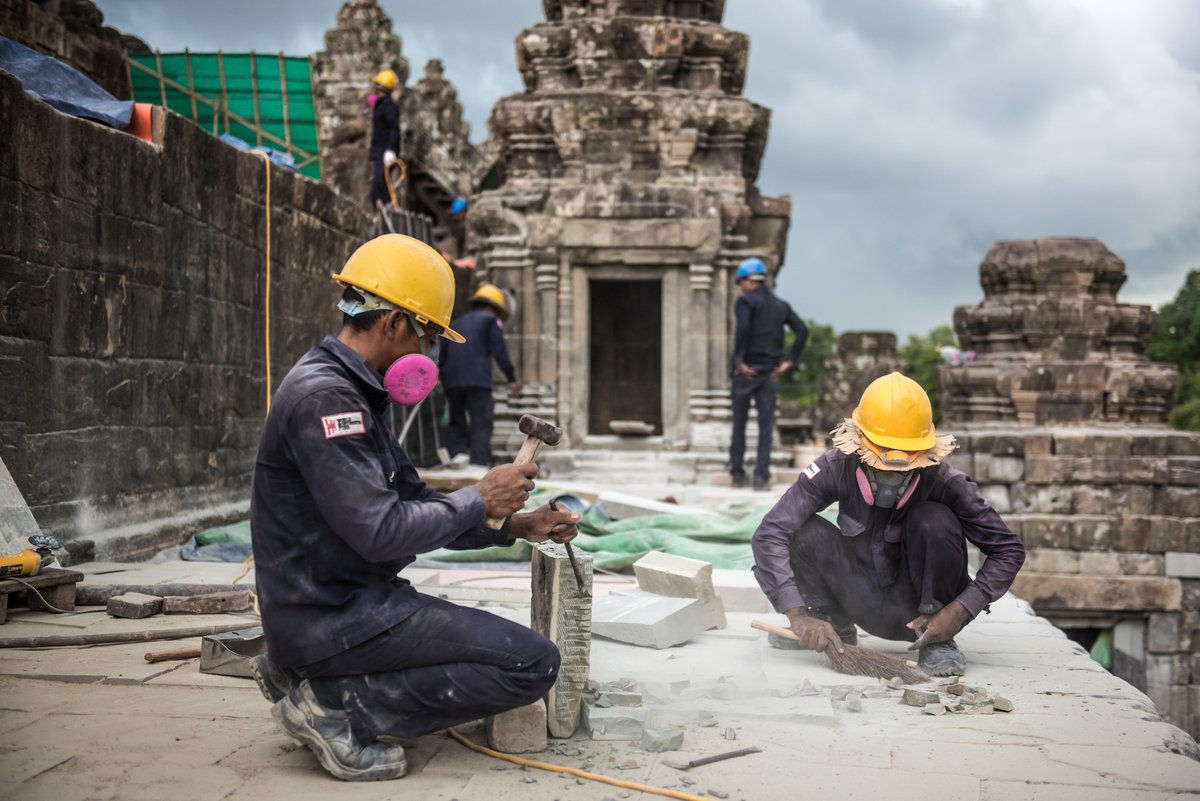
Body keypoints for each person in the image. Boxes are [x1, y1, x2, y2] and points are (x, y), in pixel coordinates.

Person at [249, 234, 578, 782]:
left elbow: (414, 504)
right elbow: (383, 532)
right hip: (335, 617)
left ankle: (307, 676)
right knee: (532, 663)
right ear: (394, 322)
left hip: (341, 604)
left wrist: (515, 523)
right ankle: (334, 705)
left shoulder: (352, 391)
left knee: (482, 643)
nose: (426, 354)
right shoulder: (327, 399)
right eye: (426, 335)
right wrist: (479, 496)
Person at [750, 372, 1026, 676]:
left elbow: (1008, 551)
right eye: (881, 467)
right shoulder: (834, 468)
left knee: (934, 519)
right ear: (860, 446)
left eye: (903, 468)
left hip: (921, 613)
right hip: (857, 597)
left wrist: (959, 611)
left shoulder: (947, 483)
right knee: (799, 530)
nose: (891, 479)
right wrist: (797, 615)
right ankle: (832, 622)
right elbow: (769, 534)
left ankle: (937, 642)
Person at [729, 257, 808, 490]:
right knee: (766, 427)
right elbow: (802, 330)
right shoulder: (780, 305)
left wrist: (738, 360)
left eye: (741, 281)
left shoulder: (745, 302)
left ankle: (737, 474)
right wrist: (789, 361)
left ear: (748, 281)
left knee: (739, 425)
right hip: (769, 373)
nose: (741, 286)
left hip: (747, 372)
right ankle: (761, 477)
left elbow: (742, 329)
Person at [439, 283, 520, 466]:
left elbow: (442, 356)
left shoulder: (456, 323)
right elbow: (499, 350)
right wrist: (512, 378)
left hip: (452, 381)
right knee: (481, 421)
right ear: (492, 307)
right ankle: (479, 464)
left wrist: (444, 381)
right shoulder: (491, 320)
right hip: (478, 381)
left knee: (457, 421)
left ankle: (457, 459)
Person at [367, 69, 401, 209]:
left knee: (380, 185)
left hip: (384, 151)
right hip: (380, 150)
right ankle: (383, 211)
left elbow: (394, 127)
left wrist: (390, 149)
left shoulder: (387, 105)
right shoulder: (381, 105)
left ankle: (386, 211)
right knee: (378, 185)